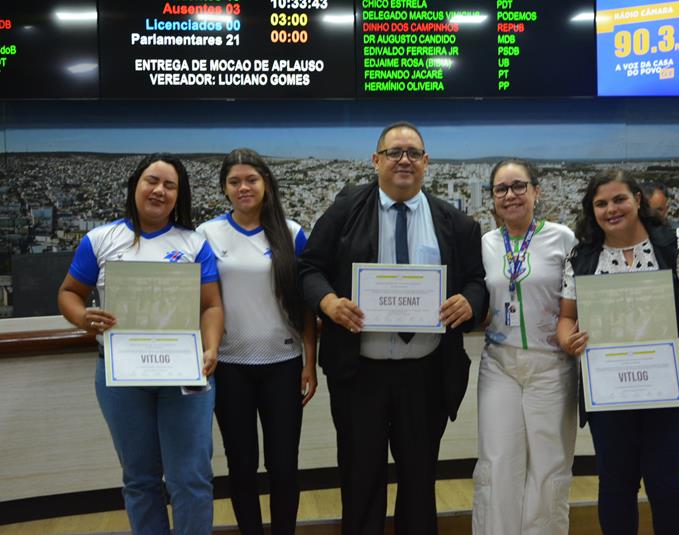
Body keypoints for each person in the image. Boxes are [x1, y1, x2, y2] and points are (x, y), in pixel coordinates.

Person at [298, 121, 487, 535]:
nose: (405, 160)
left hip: (425, 376)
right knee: (360, 480)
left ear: (426, 162)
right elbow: (309, 269)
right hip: (358, 374)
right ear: (376, 160)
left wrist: (469, 301)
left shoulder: (456, 222)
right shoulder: (345, 210)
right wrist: (329, 303)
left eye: (414, 153)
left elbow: (477, 282)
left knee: (420, 484)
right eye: (395, 152)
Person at [57, 153, 223, 535]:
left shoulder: (194, 243)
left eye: (169, 185)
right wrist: (82, 317)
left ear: (178, 195)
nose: (159, 190)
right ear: (135, 185)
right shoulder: (99, 239)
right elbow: (69, 292)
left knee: (190, 477)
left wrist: (211, 347)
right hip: (121, 374)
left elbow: (211, 305)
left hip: (185, 371)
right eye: (152, 181)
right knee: (140, 477)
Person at [556, 171, 679, 535]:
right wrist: (569, 341)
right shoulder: (581, 256)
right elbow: (566, 318)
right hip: (609, 393)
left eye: (619, 199)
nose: (611, 209)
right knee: (615, 488)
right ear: (592, 210)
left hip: (669, 386)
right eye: (601, 203)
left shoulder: (676, 243)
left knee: (668, 488)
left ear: (637, 200)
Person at [197, 148, 317, 535]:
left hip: (283, 364)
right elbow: (201, 302)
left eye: (251, 179)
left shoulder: (292, 231)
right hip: (229, 366)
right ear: (224, 189)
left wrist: (310, 362)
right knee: (241, 465)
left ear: (266, 184)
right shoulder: (208, 234)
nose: (243, 187)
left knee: (284, 465)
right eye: (234, 182)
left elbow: (305, 306)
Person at [472, 159, 578, 534]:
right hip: (499, 364)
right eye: (501, 189)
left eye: (519, 186)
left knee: (549, 468)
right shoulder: (484, 243)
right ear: (493, 199)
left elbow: (578, 301)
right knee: (497, 464)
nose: (510, 195)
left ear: (536, 190)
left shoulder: (562, 238)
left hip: (552, 364)